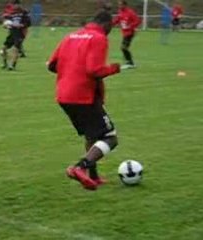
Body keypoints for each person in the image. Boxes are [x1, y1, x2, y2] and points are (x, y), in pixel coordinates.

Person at [47, 11, 121, 191]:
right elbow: (94, 70)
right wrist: (114, 68)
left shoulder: (70, 36)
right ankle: (80, 167)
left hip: (64, 95)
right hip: (83, 95)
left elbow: (51, 65)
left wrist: (71, 71)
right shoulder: (99, 38)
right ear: (106, 24)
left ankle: (93, 176)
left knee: (91, 135)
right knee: (110, 138)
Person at [0, 1, 30, 70]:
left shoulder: (24, 13)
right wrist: (5, 25)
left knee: (15, 49)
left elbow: (28, 23)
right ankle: (5, 63)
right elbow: (7, 22)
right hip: (12, 33)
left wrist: (21, 25)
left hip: (20, 33)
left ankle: (12, 65)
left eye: (16, 5)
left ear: (19, 5)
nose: (15, 6)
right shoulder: (12, 14)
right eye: (14, 5)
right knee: (3, 49)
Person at [112, 0, 141, 70]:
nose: (119, 6)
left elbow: (138, 21)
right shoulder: (120, 12)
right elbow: (117, 19)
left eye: (121, 5)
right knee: (124, 48)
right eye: (119, 5)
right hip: (124, 33)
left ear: (125, 5)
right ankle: (129, 63)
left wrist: (130, 26)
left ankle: (130, 63)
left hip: (130, 33)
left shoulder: (130, 12)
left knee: (123, 47)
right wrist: (111, 24)